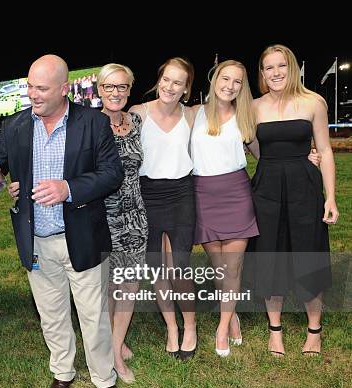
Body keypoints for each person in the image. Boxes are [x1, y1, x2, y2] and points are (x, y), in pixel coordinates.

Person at [0, 54, 125, 388]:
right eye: (29, 86)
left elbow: (112, 174)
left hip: (80, 238)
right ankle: (62, 372)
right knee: (51, 316)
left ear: (64, 89)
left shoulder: (93, 123)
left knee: (92, 316)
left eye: (41, 88)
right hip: (36, 241)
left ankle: (104, 379)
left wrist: (69, 188)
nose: (32, 94)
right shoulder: (16, 126)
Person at [250, 44, 338, 357]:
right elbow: (254, 147)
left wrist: (331, 198)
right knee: (269, 256)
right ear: (261, 73)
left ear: (292, 68)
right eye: (268, 68)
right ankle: (276, 331)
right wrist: (276, 163)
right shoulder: (254, 106)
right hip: (266, 188)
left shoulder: (313, 102)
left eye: (281, 66)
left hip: (305, 187)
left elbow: (325, 150)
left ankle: (314, 330)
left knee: (308, 254)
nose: (275, 73)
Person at [129, 57, 198, 360]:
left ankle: (191, 325)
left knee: (179, 267)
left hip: (182, 194)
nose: (170, 87)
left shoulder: (193, 115)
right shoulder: (137, 114)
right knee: (157, 269)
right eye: (166, 79)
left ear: (186, 88)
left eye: (178, 82)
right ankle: (172, 327)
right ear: (159, 80)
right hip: (148, 196)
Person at [189, 60, 259, 357]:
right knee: (219, 268)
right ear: (215, 77)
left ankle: (222, 326)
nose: (230, 85)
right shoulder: (193, 114)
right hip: (202, 195)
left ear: (243, 87)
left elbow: (268, 156)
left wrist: (306, 157)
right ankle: (233, 315)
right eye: (225, 78)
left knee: (232, 267)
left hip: (237, 195)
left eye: (237, 81)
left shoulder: (246, 118)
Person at [97, 63, 147, 383]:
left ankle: (116, 345)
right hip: (102, 217)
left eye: (122, 87)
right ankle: (115, 351)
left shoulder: (137, 122)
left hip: (135, 216)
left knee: (128, 286)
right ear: (100, 90)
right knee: (107, 288)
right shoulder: (88, 124)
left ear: (129, 90)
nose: (116, 93)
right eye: (109, 87)